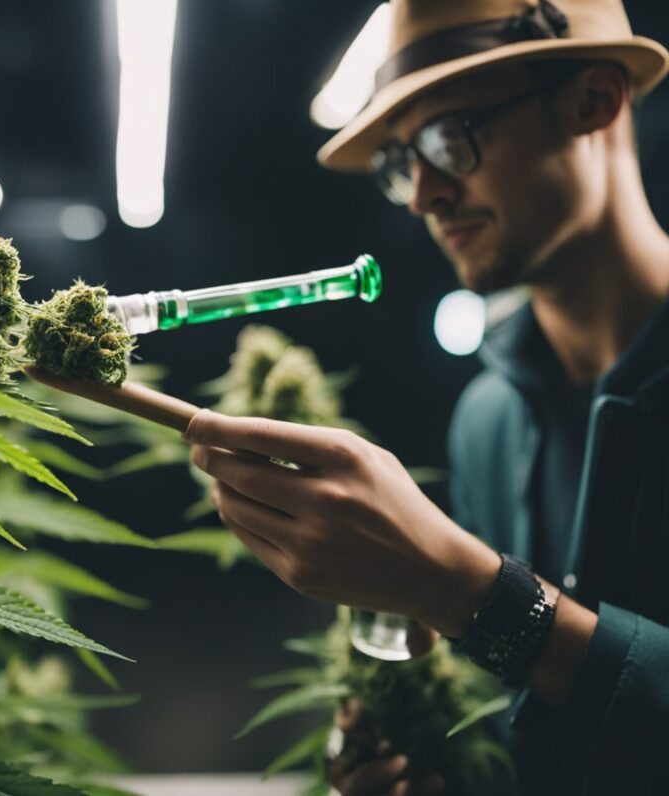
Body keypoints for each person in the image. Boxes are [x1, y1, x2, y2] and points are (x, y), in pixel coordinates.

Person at [183, 1, 669, 794]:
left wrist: (466, 590)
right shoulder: (488, 422)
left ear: (595, 100)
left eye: (453, 136)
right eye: (402, 160)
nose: (422, 195)